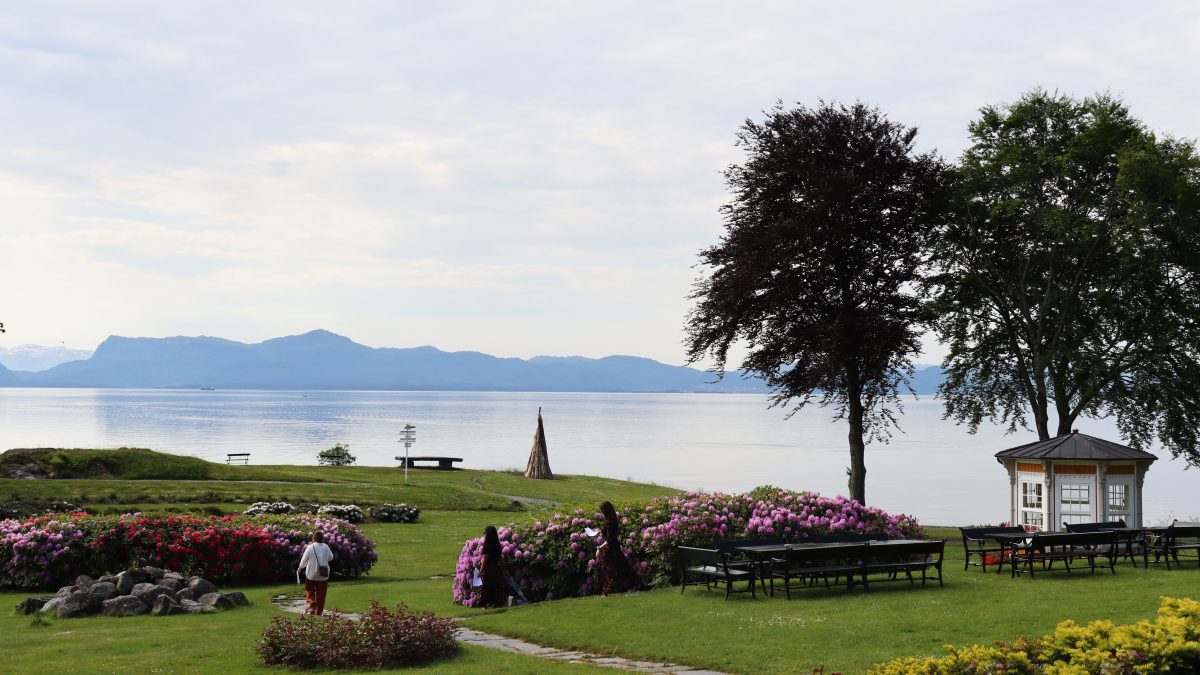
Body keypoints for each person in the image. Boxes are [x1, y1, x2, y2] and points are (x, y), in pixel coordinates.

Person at [477, 525, 528, 608]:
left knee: (488, 587)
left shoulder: (487, 545)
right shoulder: (497, 544)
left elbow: (485, 560)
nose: (484, 534)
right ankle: (499, 602)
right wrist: (504, 569)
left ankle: (488, 603)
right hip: (497, 569)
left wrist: (481, 571)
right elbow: (500, 558)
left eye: (485, 533)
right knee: (500, 586)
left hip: (489, 571)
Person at [595, 501, 638, 595]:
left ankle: (607, 592)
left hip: (612, 550)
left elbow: (610, 540)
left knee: (611, 570)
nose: (601, 513)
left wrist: (599, 548)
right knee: (620, 568)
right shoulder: (611, 521)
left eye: (601, 511)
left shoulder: (610, 523)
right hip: (613, 548)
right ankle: (608, 591)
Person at [297, 529, 334, 615]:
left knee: (309, 589)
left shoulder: (310, 547)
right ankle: (319, 611)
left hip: (311, 574)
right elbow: (331, 557)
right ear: (322, 538)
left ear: (313, 538)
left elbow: (304, 560)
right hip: (323, 574)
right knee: (321, 594)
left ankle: (312, 603)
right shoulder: (326, 547)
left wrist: (300, 567)